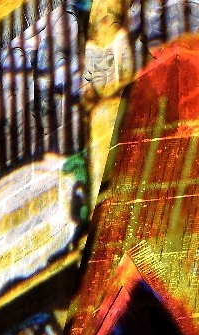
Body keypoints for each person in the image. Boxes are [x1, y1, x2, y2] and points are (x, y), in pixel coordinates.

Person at [83, 0, 135, 202]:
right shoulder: (91, 47)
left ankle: (110, 184)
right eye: (99, 11)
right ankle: (98, 188)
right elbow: (87, 81)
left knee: (114, 146)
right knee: (97, 151)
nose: (103, 16)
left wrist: (113, 88)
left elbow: (127, 73)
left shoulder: (120, 38)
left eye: (108, 11)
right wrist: (90, 94)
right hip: (99, 109)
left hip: (115, 104)